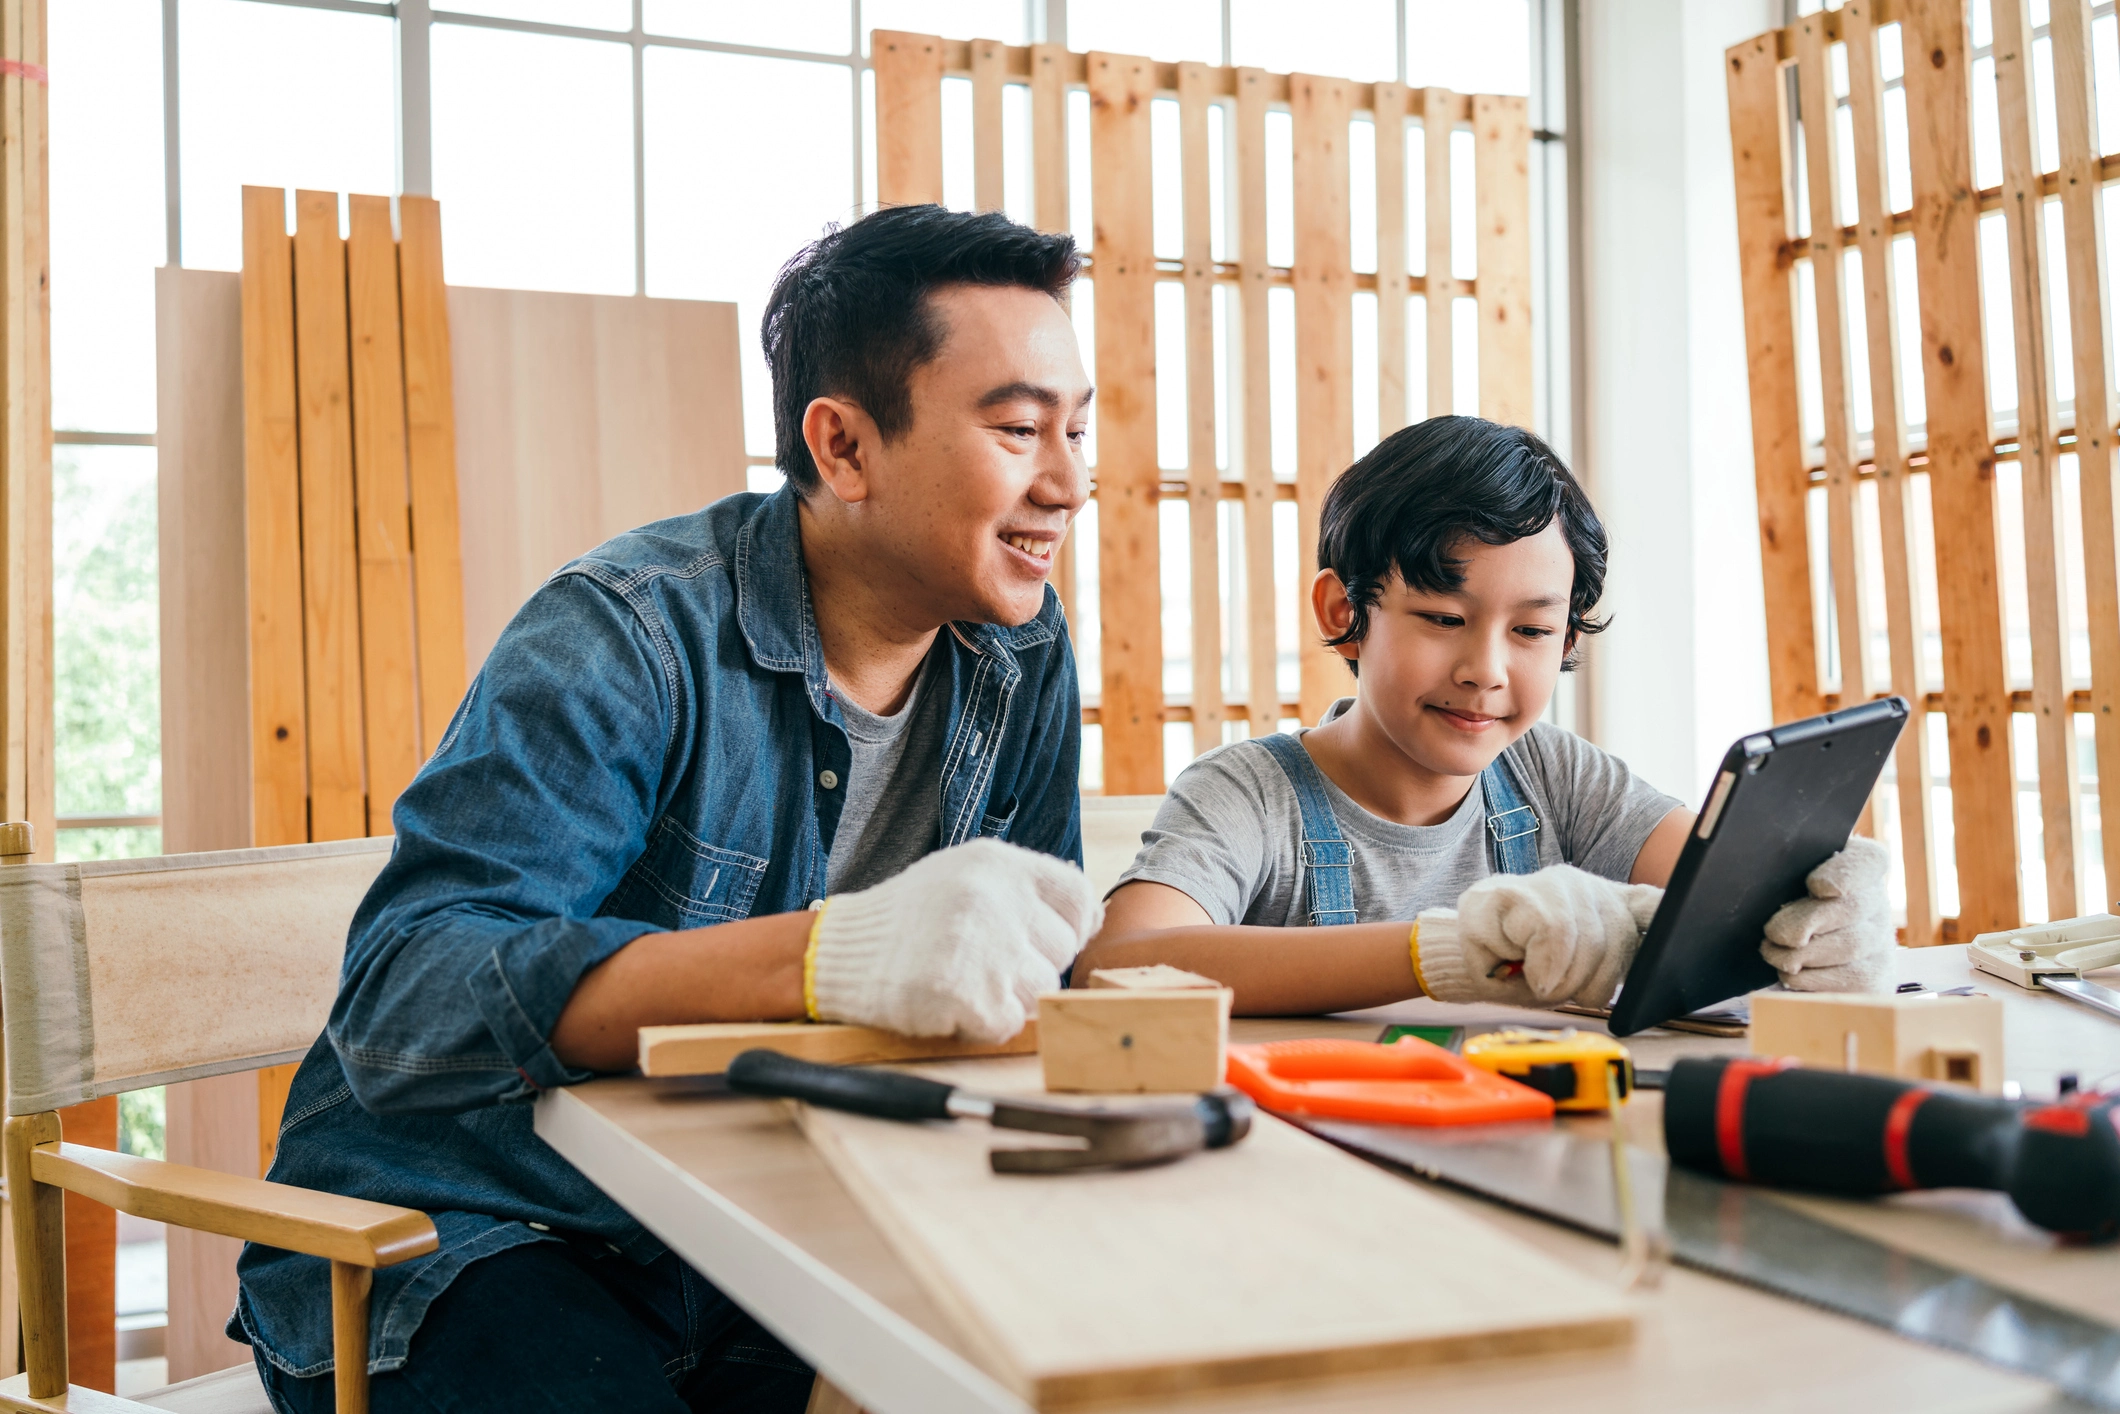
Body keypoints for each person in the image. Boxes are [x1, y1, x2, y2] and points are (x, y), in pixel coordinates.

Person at [236, 205, 1104, 1413]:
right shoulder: (625, 632)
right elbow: (406, 1002)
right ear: (842, 447)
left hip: (766, 1230)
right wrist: (829, 958)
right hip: (474, 1230)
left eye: (1077, 427)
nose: (1068, 481)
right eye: (1018, 428)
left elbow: (1027, 982)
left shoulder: (1020, 656)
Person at [1076, 415, 1893, 1014]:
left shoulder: (1553, 775)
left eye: (1532, 631)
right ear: (1342, 610)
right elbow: (1118, 965)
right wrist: (1447, 951)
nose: (1486, 671)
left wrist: (1820, 906)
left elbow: (1722, 891)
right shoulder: (1250, 794)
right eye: (1442, 618)